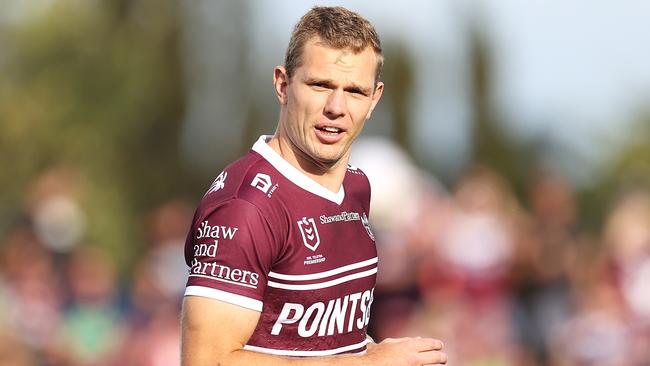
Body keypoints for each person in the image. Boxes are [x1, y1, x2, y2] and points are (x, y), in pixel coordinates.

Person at [181, 6, 447, 365]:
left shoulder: (356, 187)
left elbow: (320, 345)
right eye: (320, 85)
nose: (336, 107)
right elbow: (207, 360)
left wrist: (377, 351)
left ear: (374, 99)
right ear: (283, 84)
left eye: (354, 91)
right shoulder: (244, 208)